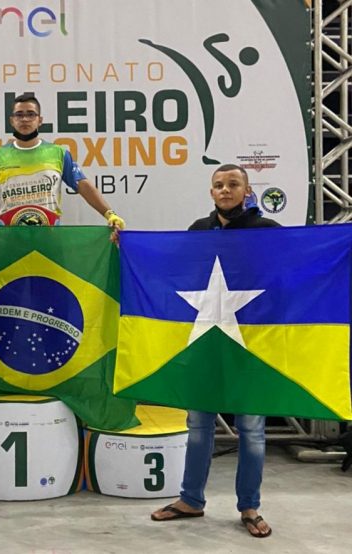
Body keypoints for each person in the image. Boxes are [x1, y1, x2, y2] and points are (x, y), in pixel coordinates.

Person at [150, 164, 280, 538]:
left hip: (250, 345)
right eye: (219, 185)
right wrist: (125, 247)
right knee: (198, 425)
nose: (225, 190)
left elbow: (292, 269)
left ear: (247, 190)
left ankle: (249, 506)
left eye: (233, 184)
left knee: (251, 428)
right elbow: (173, 268)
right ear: (211, 192)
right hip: (205, 341)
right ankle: (190, 499)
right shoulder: (198, 231)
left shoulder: (268, 231)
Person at [0, 92, 125, 232]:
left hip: (50, 237)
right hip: (8, 237)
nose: (25, 119)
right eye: (19, 115)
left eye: (31, 114)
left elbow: (83, 186)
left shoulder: (58, 153)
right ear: (11, 120)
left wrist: (109, 214)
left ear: (40, 120)